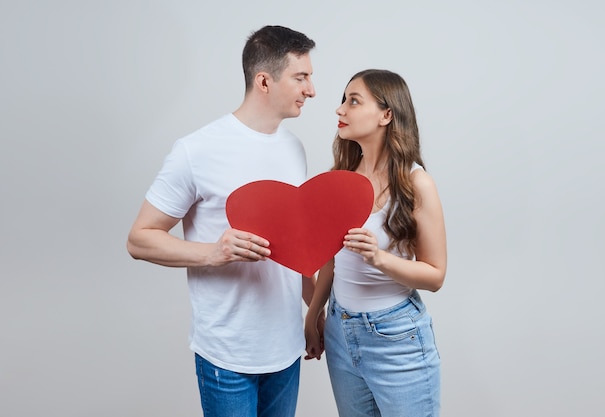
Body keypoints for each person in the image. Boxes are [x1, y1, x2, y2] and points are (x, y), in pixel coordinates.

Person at [127, 25, 317, 417]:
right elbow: (139, 238)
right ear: (264, 81)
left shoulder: (294, 149)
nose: (311, 90)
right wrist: (214, 252)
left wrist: (315, 315)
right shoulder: (196, 150)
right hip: (227, 355)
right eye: (301, 77)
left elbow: (294, 249)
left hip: (286, 349)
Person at [304, 69, 447, 417]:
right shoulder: (340, 180)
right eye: (342, 101)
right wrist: (313, 316)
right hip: (341, 332)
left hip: (397, 339)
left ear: (386, 114)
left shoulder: (417, 184)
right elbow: (331, 261)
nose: (340, 110)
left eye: (353, 101)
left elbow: (435, 275)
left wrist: (378, 258)